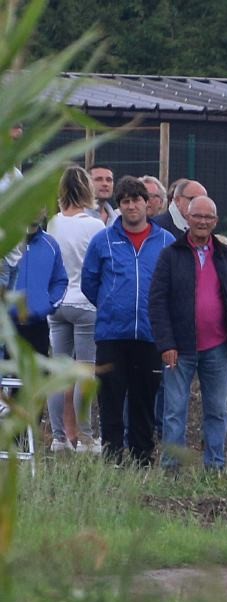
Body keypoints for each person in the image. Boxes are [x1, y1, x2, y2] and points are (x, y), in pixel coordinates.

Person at [148, 196, 227, 470]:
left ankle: (215, 466)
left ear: (216, 222)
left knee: (217, 411)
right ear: (188, 219)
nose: (203, 222)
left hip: (218, 347)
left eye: (208, 217)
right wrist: (166, 343)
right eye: (197, 216)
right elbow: (157, 301)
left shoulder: (226, 256)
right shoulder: (171, 255)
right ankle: (171, 468)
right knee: (174, 412)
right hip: (179, 349)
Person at [80, 176, 174, 465]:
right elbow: (89, 282)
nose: (131, 206)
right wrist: (112, 305)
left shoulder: (165, 242)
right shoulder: (102, 241)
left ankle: (142, 458)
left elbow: (172, 286)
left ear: (148, 204)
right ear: (119, 206)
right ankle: (112, 458)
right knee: (110, 398)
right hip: (111, 334)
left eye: (137, 200)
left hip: (149, 334)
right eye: (125, 201)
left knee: (144, 399)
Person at [45, 164, 106, 453]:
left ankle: (59, 437)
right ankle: (86, 436)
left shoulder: (53, 223)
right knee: (85, 371)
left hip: (56, 304)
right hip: (86, 303)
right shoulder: (95, 225)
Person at [6, 217, 66, 357]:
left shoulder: (51, 244)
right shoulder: (6, 242)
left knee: (39, 377)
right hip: (8, 327)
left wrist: (48, 305)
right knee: (8, 378)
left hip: (38, 326)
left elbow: (60, 280)